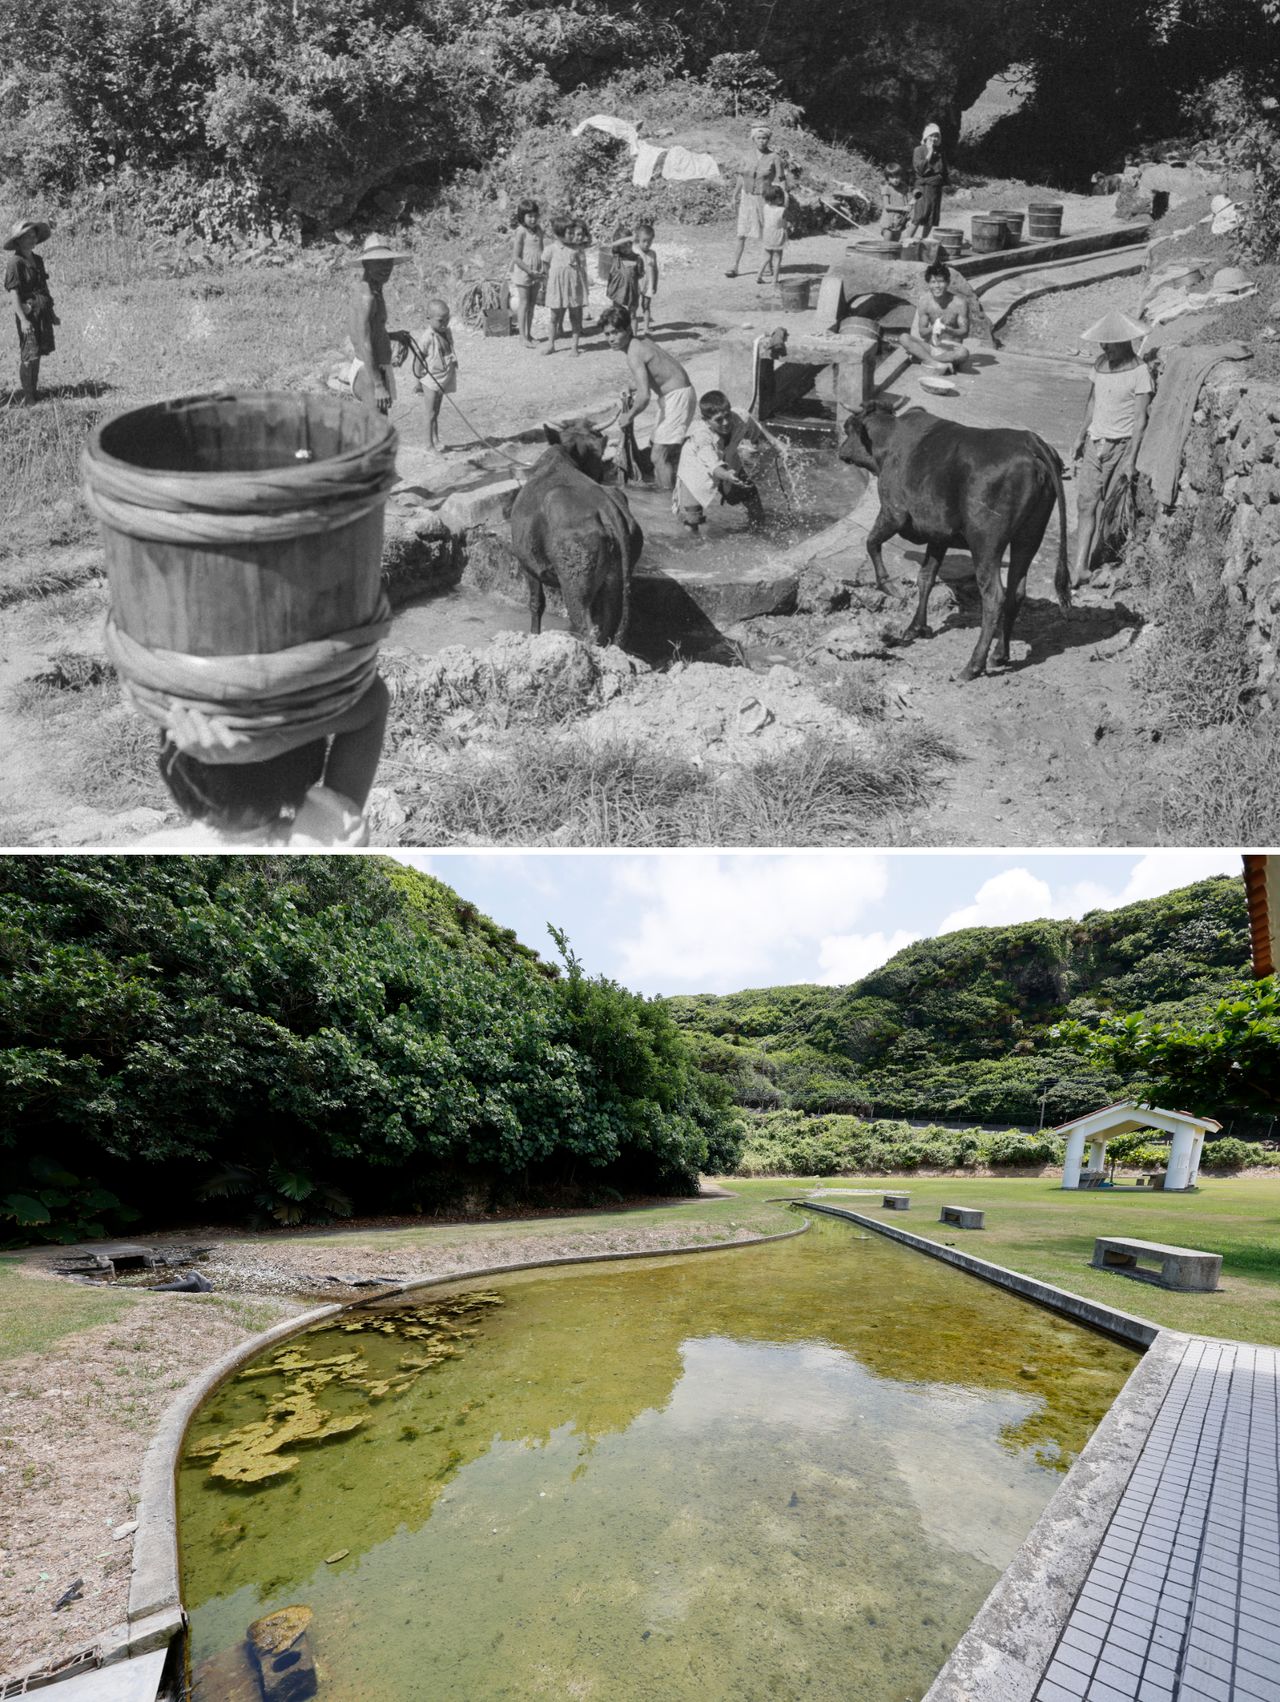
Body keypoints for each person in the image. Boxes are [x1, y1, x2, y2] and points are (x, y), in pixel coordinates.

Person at [134, 674, 391, 848]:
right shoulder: (326, 836)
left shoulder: (155, 848)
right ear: (307, 765)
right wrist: (270, 743)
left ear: (174, 770)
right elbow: (374, 698)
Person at [1071, 310, 1153, 590]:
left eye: (1109, 343)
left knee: (1111, 510)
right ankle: (1080, 567)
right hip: (1096, 442)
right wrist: (1080, 437)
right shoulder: (1100, 364)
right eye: (1102, 343)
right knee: (1085, 504)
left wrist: (1131, 458)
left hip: (1120, 446)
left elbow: (1141, 419)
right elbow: (1093, 403)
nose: (1104, 347)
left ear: (1125, 341)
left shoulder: (1140, 371)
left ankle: (1102, 558)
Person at [601, 305, 696, 491]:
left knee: (658, 455)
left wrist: (629, 416)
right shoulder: (641, 341)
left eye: (616, 332)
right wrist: (632, 386)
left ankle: (667, 500)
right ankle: (672, 485)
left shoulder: (633, 354)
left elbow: (644, 397)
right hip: (679, 394)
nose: (611, 338)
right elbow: (657, 373)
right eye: (607, 334)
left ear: (628, 330)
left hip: (677, 397)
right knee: (657, 447)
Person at [674, 390, 766, 533]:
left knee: (752, 498)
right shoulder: (701, 436)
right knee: (692, 517)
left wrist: (777, 444)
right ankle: (695, 546)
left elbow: (758, 432)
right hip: (695, 468)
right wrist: (728, 476)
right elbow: (714, 467)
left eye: (727, 416)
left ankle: (758, 533)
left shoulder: (740, 417)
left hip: (728, 461)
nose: (726, 423)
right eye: (718, 420)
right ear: (706, 421)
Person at [345, 233, 410, 415]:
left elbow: (370, 332)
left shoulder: (374, 291)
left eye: (388, 262)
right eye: (379, 263)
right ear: (366, 264)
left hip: (375, 367)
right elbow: (362, 340)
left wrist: (391, 336)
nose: (385, 268)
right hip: (369, 372)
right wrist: (378, 384)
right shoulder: (367, 297)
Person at [727, 122, 795, 278]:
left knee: (767, 231)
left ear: (768, 139)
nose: (762, 141)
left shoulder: (775, 158)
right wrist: (734, 196)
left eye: (765, 138)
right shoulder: (746, 156)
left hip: (765, 200)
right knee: (741, 232)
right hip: (747, 196)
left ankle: (769, 265)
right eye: (759, 138)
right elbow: (741, 177)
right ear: (753, 139)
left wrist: (784, 198)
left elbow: (781, 180)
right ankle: (734, 266)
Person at [4, 218, 59, 405]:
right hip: (27, 313)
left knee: (38, 353)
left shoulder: (38, 260)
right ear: (18, 240)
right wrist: (23, 320)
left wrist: (51, 312)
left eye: (34, 235)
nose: (32, 239)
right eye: (27, 236)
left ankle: (33, 392)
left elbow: (44, 287)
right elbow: (14, 295)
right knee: (28, 354)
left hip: (40, 310)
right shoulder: (15, 263)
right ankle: (28, 397)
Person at [899, 260, 971, 373]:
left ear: (948, 283)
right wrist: (933, 329)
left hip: (951, 349)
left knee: (964, 353)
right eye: (933, 282)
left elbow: (965, 332)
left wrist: (948, 330)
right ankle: (936, 363)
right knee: (904, 337)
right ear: (928, 283)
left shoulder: (959, 303)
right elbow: (922, 332)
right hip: (931, 347)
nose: (937, 286)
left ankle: (926, 359)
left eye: (941, 282)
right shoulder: (924, 301)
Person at [410, 297, 458, 449]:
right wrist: (418, 381)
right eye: (440, 321)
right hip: (430, 380)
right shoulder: (427, 338)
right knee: (429, 413)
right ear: (429, 319)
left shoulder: (447, 332)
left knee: (436, 411)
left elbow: (449, 349)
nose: (444, 324)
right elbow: (418, 359)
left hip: (443, 377)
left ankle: (436, 439)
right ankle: (428, 445)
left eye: (447, 320)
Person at [543, 216, 591, 355]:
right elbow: (545, 266)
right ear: (558, 234)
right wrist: (548, 282)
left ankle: (574, 347)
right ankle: (551, 344)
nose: (572, 236)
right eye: (569, 233)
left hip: (573, 288)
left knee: (575, 317)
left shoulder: (577, 249)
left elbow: (582, 267)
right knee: (553, 318)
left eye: (572, 233)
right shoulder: (550, 249)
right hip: (557, 288)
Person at [904, 123, 948, 245]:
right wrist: (929, 152)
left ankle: (923, 241)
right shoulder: (918, 150)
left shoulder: (940, 152)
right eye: (931, 136)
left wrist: (942, 181)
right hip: (922, 186)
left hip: (935, 187)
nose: (933, 139)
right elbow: (920, 169)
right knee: (919, 215)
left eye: (936, 136)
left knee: (932, 216)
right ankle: (906, 240)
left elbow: (943, 170)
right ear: (926, 137)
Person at [509, 199, 543, 348]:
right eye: (529, 216)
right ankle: (522, 337)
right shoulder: (521, 232)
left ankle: (529, 334)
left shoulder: (539, 230)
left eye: (535, 216)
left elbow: (541, 250)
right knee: (523, 303)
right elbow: (516, 257)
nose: (533, 219)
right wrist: (529, 271)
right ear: (522, 216)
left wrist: (542, 269)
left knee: (532, 304)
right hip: (524, 273)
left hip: (537, 272)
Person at [757, 183, 788, 288]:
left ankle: (759, 275)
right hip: (777, 235)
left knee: (766, 257)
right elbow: (783, 224)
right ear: (778, 199)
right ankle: (774, 280)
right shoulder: (782, 210)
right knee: (777, 258)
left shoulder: (765, 207)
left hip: (767, 233)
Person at [606, 235, 643, 317]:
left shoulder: (638, 259)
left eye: (627, 245)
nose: (625, 249)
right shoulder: (618, 257)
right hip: (618, 291)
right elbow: (611, 245)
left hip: (632, 291)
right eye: (622, 247)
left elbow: (640, 276)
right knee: (617, 312)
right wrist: (628, 238)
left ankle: (632, 329)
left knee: (632, 315)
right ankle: (618, 328)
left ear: (631, 244)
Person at [635, 222, 659, 334]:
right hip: (636, 284)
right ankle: (633, 327)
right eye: (644, 241)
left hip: (648, 283)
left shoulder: (652, 254)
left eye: (649, 241)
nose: (646, 244)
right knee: (633, 306)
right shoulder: (634, 251)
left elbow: (655, 270)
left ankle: (646, 327)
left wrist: (655, 285)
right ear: (638, 239)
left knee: (646, 305)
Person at [879, 164, 909, 241]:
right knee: (887, 244)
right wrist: (902, 208)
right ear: (887, 178)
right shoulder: (886, 188)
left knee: (895, 244)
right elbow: (887, 206)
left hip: (899, 221)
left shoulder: (904, 187)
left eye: (897, 177)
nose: (895, 180)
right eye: (892, 177)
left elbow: (906, 204)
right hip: (888, 221)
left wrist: (908, 218)